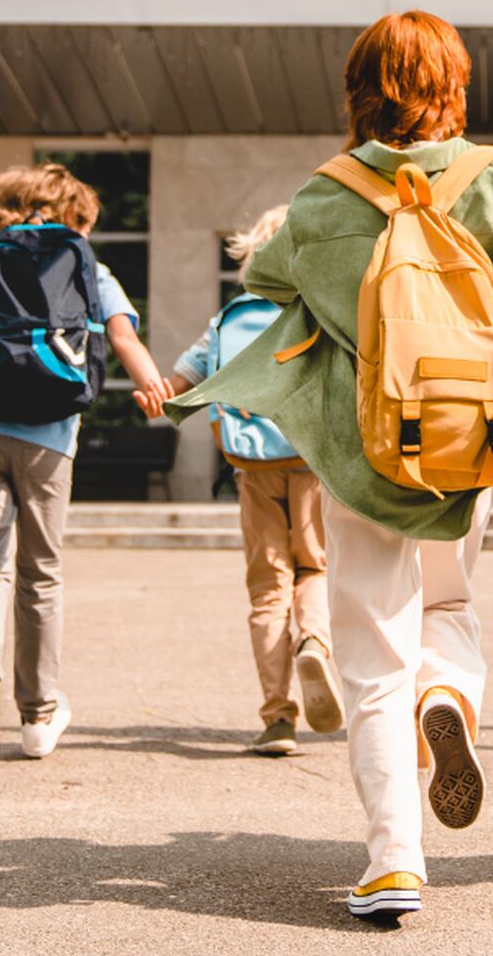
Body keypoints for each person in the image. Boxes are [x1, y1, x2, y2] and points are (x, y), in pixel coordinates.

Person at [167, 11, 493, 923]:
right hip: (474, 442)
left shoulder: (324, 198)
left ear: (359, 90)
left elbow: (265, 286)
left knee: (371, 649)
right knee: (448, 602)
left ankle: (394, 858)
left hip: (366, 450)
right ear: (455, 86)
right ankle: (446, 693)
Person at [0, 162, 173, 772]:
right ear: (75, 218)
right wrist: (153, 389)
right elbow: (122, 338)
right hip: (48, 437)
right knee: (40, 572)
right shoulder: (90, 267)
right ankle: (38, 716)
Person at [143, 206, 343, 758]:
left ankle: (278, 718)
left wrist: (154, 397)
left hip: (252, 466)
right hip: (311, 460)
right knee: (315, 568)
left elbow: (178, 384)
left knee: (267, 587)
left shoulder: (231, 316)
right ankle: (316, 642)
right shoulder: (320, 311)